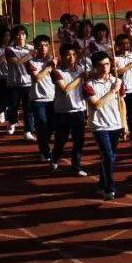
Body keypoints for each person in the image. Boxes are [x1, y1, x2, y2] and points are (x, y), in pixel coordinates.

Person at [84, 51, 125, 201]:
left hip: (115, 124)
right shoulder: (88, 85)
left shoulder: (117, 81)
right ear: (95, 67)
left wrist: (124, 124)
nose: (105, 68)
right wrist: (112, 90)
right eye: (101, 65)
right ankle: (110, 188)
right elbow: (96, 105)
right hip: (99, 125)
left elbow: (122, 103)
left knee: (108, 157)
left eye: (107, 64)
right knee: (108, 156)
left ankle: (102, 184)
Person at [50, 43, 87, 175]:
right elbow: (65, 89)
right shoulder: (56, 72)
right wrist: (81, 77)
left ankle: (76, 165)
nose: (71, 57)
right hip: (63, 111)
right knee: (62, 139)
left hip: (79, 110)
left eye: (73, 55)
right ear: (62, 57)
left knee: (79, 140)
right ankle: (55, 156)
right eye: (67, 55)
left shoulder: (81, 68)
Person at [25, 35, 57, 162]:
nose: (43, 48)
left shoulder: (54, 60)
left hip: (53, 98)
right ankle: (44, 152)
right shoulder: (31, 62)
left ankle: (44, 145)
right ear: (36, 47)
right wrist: (49, 67)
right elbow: (37, 78)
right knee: (42, 126)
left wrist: (54, 64)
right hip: (38, 100)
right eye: (40, 45)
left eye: (46, 45)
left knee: (52, 127)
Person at [4, 25, 34, 138]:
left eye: (23, 34)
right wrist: (30, 55)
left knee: (28, 109)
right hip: (14, 83)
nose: (21, 36)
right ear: (14, 36)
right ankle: (12, 122)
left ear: (26, 35)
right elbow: (16, 62)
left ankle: (28, 131)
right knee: (13, 106)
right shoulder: (9, 49)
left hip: (29, 83)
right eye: (18, 34)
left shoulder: (31, 48)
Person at [114, 33, 132, 151]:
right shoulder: (115, 58)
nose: (126, 45)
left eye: (127, 43)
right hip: (119, 90)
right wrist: (130, 65)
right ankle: (120, 133)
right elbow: (117, 72)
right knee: (120, 114)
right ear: (118, 46)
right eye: (122, 44)